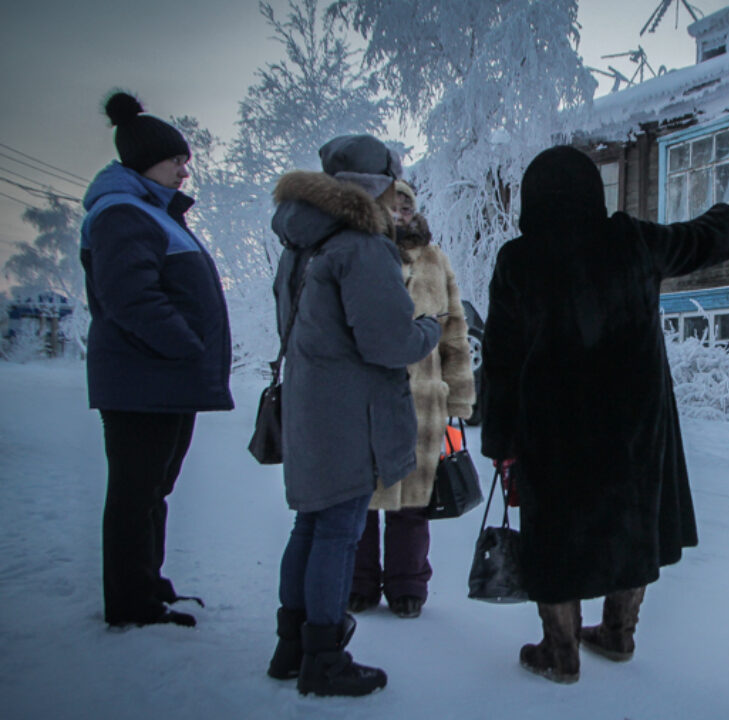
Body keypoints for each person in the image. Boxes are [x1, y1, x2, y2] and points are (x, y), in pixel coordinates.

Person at [480, 145, 729, 684]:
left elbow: (500, 357)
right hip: (632, 424)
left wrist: (501, 439)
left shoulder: (518, 259)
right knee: (629, 524)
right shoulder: (630, 240)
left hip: (551, 428)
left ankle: (560, 656)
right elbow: (696, 241)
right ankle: (618, 634)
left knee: (554, 532)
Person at [264, 135, 441, 697]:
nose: (397, 198)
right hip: (350, 413)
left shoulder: (302, 241)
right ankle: (324, 658)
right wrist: (429, 328)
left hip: (308, 402)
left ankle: (291, 646)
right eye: (393, 186)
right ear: (376, 186)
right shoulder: (361, 247)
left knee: (310, 524)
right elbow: (389, 341)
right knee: (338, 531)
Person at [80, 91, 233, 629]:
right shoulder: (121, 213)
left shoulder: (149, 211)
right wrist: (187, 345)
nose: (184, 172)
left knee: (153, 491)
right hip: (143, 380)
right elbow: (130, 298)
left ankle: (148, 585)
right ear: (146, 161)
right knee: (135, 492)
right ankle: (130, 602)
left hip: (161, 380)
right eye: (176, 162)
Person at [349, 180, 476, 619]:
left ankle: (407, 586)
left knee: (414, 502)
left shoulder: (435, 259)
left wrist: (459, 399)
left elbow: (454, 333)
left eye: (407, 204)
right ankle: (358, 582)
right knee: (362, 497)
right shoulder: (361, 251)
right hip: (367, 398)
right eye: (393, 203)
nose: (401, 211)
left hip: (423, 401)